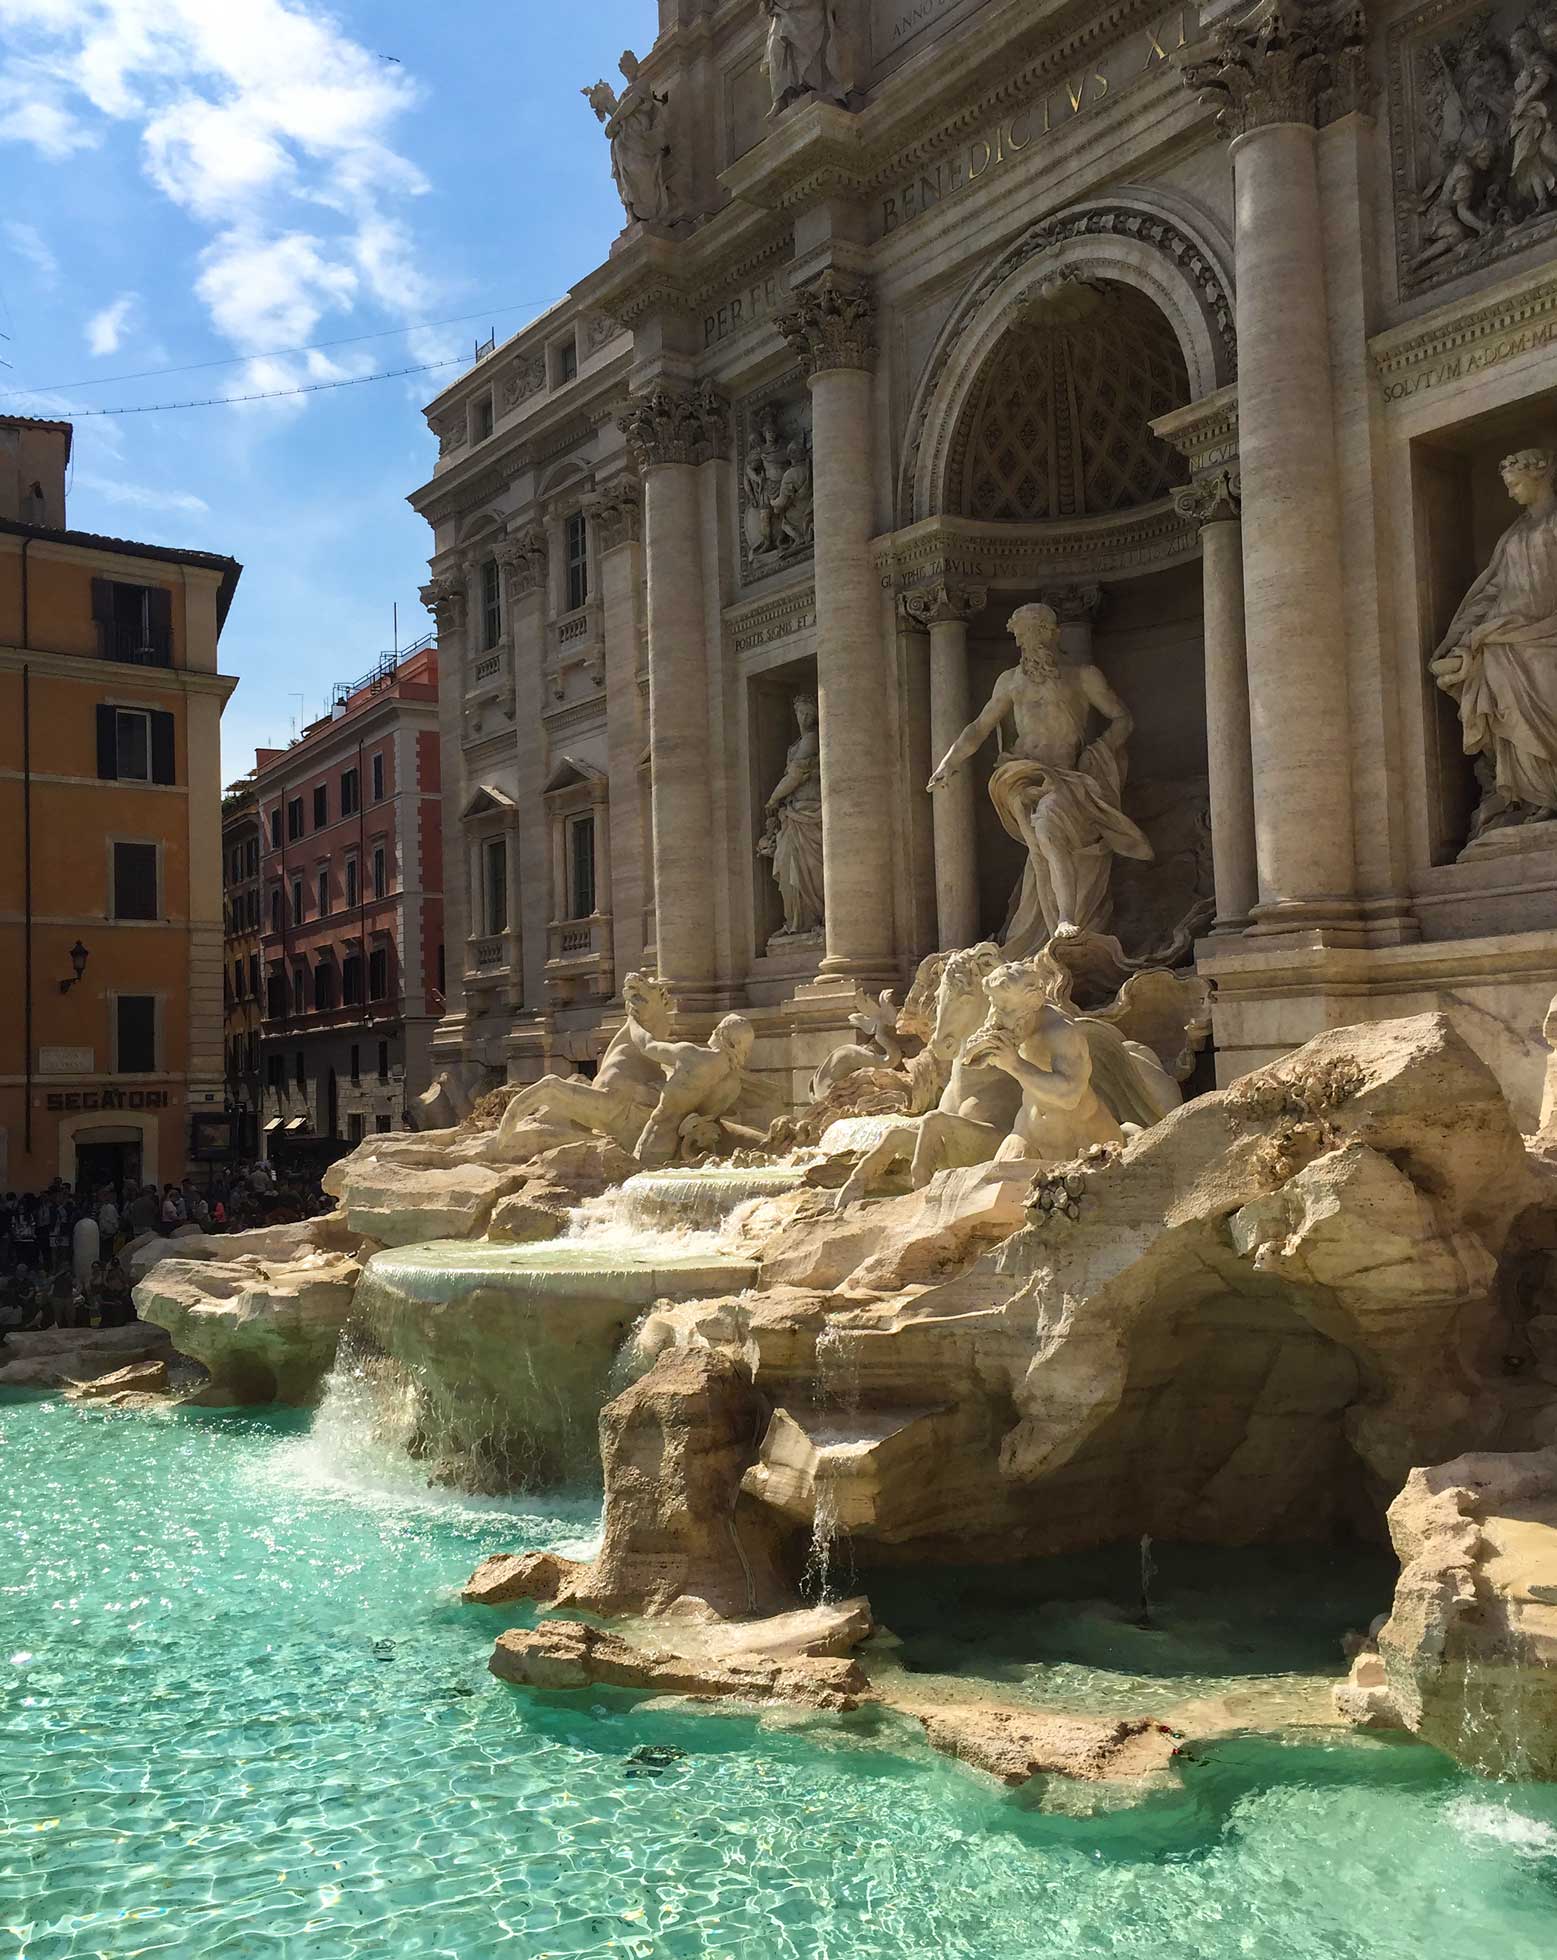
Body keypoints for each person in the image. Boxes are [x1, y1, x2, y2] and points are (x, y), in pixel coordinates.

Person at [927, 602, 1152, 950]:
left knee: (1046, 829)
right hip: (1021, 774)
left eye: (1034, 633)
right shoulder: (1011, 681)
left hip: (1065, 775)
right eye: (1021, 636)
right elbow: (979, 727)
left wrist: (1098, 752)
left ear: (1052, 633)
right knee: (1039, 843)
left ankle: (1062, 918)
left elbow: (1123, 719)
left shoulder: (1082, 676)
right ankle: (1053, 922)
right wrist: (949, 762)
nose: (1027, 644)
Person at [1432, 448, 1557, 832]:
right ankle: (1537, 797)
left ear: (1539, 479)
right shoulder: (1514, 533)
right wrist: (1461, 638)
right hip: (1504, 637)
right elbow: (1492, 588)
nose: (1510, 493)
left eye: (1515, 484)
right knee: (1509, 714)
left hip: (1547, 632)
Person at [758, 694, 824, 939]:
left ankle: (816, 918)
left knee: (812, 868)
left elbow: (795, 775)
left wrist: (773, 799)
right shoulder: (797, 743)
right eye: (800, 712)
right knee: (788, 864)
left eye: (809, 713)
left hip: (810, 811)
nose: (804, 717)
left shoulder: (812, 739)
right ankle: (797, 921)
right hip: (795, 814)